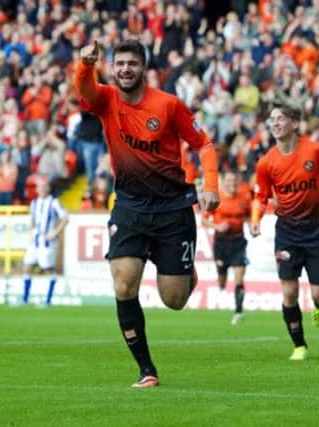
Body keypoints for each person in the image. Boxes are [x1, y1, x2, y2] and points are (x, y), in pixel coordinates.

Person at [73, 40, 219, 388]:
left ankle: (183, 271)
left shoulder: (168, 105)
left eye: (132, 64)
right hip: (129, 207)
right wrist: (84, 65)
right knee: (123, 283)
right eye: (119, 63)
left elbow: (205, 144)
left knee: (175, 300)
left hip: (173, 210)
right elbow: (84, 88)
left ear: (144, 68)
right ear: (112, 67)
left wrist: (211, 185)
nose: (125, 69)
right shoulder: (106, 98)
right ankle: (146, 369)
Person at [250, 100, 319, 361]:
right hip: (287, 232)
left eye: (281, 118)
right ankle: (299, 345)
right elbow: (260, 194)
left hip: (317, 233)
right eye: (272, 119)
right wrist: (255, 218)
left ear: (295, 123)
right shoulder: (266, 163)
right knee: (289, 291)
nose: (275, 123)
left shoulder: (315, 151)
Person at [202, 170, 251, 325]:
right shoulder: (217, 199)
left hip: (238, 242)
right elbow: (204, 220)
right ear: (223, 182)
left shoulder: (245, 197)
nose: (232, 183)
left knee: (239, 276)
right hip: (221, 244)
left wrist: (253, 224)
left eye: (234, 180)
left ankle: (238, 312)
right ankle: (221, 282)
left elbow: (250, 215)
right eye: (229, 180)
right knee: (222, 279)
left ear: (237, 181)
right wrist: (217, 226)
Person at [21, 179, 69, 306]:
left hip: (47, 243)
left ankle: (48, 300)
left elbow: (65, 218)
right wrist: (31, 233)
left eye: (44, 186)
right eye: (39, 187)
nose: (41, 189)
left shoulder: (54, 202)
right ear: (36, 189)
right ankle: (24, 299)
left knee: (48, 269)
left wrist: (55, 232)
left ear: (48, 188)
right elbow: (32, 220)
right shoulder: (34, 203)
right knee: (26, 267)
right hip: (35, 242)